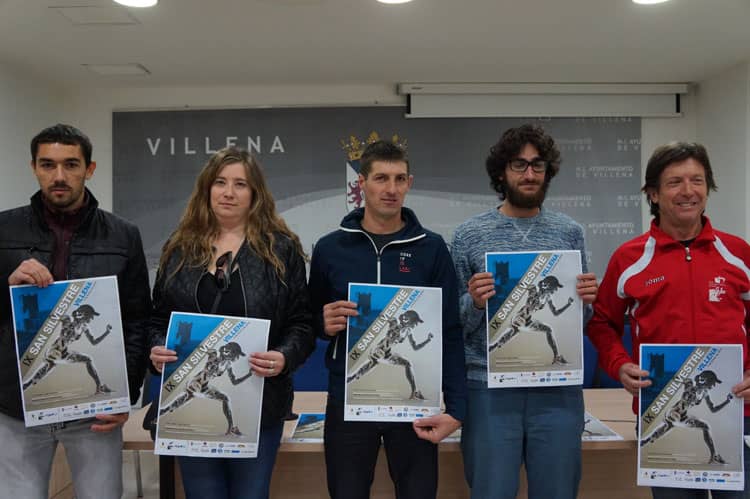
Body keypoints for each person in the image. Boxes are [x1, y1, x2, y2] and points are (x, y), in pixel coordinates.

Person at [149, 147, 314, 499]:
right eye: (220, 182)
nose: (228, 192)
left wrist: (284, 357)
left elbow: (302, 322)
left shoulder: (281, 250)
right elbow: (157, 318)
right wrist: (156, 347)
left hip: (260, 402)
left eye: (240, 184)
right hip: (190, 401)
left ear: (255, 194)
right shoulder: (178, 248)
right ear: (206, 188)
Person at [587, 141, 750, 499]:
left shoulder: (738, 253)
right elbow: (600, 324)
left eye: (697, 180)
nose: (688, 191)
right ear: (653, 194)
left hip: (741, 415)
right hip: (658, 409)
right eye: (675, 182)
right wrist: (619, 365)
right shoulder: (629, 258)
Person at [308, 140, 467, 499]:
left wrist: (457, 409)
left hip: (414, 404)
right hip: (349, 400)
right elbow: (310, 318)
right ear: (361, 183)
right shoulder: (330, 248)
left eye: (399, 179)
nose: (391, 189)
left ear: (409, 183)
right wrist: (323, 323)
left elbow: (450, 331)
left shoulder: (432, 248)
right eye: (381, 178)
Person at [0, 123, 151, 499]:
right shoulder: (3, 229)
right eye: (47, 165)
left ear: (89, 168)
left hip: (93, 413)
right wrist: (7, 285)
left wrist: (125, 394)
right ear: (34, 167)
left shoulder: (123, 235)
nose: (59, 176)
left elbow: (137, 320)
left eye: (70, 164)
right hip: (16, 408)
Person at [451, 124, 598, 499]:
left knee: (558, 491)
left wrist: (585, 303)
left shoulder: (569, 232)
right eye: (519, 164)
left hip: (556, 389)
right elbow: (453, 323)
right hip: (489, 389)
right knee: (492, 491)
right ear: (501, 172)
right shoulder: (469, 234)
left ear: (548, 172)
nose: (529, 174)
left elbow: (579, 322)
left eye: (537, 165)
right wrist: (475, 302)